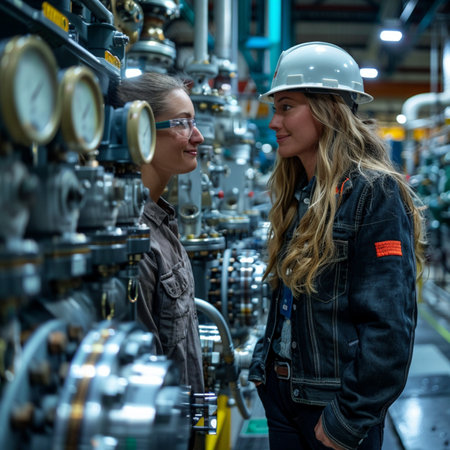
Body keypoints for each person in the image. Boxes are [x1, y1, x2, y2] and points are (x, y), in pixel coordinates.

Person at [248, 42, 426, 450]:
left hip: (330, 409)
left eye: (286, 107)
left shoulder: (373, 192)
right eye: (275, 108)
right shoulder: (301, 190)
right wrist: (265, 371)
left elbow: (390, 326)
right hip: (283, 395)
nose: (274, 122)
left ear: (327, 110)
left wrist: (349, 419)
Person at [115, 72, 205, 396]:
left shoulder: (161, 223)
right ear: (142, 132)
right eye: (183, 124)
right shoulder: (136, 243)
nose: (198, 137)